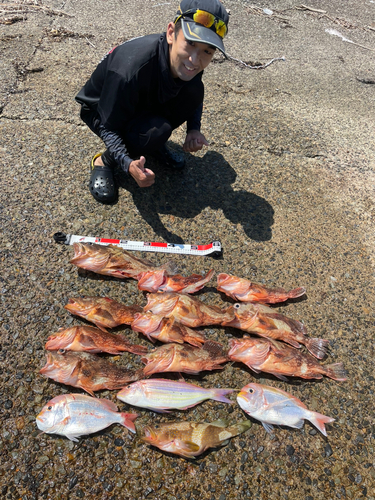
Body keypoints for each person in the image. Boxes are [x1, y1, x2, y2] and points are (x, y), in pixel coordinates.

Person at [75, 0, 230, 203]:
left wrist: (194, 128)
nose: (195, 59)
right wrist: (127, 163)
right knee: (154, 133)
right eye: (190, 43)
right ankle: (103, 161)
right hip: (101, 110)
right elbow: (108, 126)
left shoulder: (189, 65)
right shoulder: (129, 70)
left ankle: (150, 146)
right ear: (171, 33)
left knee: (192, 88)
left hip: (140, 97)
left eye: (207, 51)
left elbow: (192, 92)